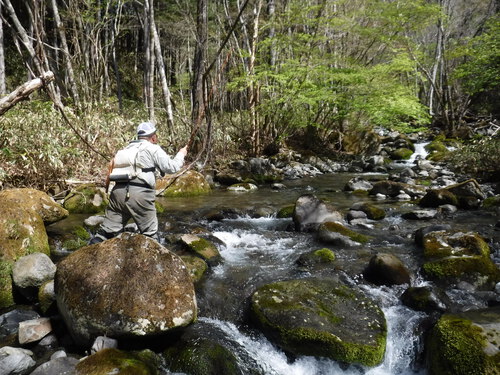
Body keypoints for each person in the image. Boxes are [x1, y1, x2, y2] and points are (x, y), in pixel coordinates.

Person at [90, 121, 188, 244]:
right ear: (153, 137)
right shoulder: (153, 148)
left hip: (117, 194)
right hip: (139, 194)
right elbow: (172, 167)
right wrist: (181, 154)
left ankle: (90, 254)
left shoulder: (125, 149)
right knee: (150, 236)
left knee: (105, 233)